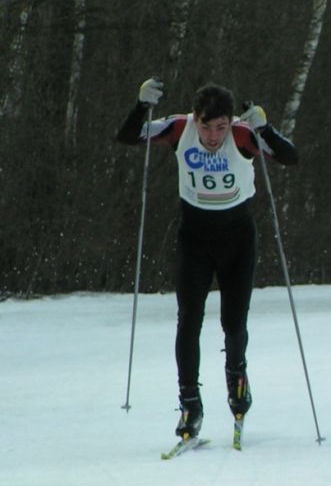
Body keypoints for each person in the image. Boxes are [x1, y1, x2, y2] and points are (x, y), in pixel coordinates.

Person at [116, 78, 299, 440]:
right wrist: (140, 105)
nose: (214, 135)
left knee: (233, 324)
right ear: (195, 118)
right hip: (195, 239)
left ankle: (237, 379)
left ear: (230, 122)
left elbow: (290, 157)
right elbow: (128, 137)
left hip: (238, 240)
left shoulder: (244, 135)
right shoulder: (179, 128)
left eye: (221, 127)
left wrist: (267, 128)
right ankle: (190, 405)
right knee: (189, 320)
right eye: (207, 126)